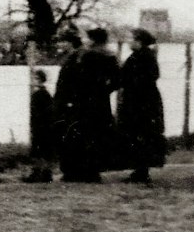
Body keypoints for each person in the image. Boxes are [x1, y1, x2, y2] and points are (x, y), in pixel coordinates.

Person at [54, 26, 118, 182]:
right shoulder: (98, 55)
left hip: (84, 103)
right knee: (87, 135)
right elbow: (114, 79)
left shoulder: (87, 56)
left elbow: (78, 81)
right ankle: (85, 171)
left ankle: (83, 172)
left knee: (84, 135)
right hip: (92, 102)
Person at [118, 28, 165, 184]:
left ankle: (142, 170)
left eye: (130, 38)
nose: (128, 41)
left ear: (138, 41)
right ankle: (139, 169)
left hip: (142, 102)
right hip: (138, 100)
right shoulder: (138, 56)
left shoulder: (145, 56)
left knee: (142, 133)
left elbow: (151, 76)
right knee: (137, 134)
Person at [24, 68, 55, 183]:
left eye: (36, 78)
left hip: (40, 126)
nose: (33, 80)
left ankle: (37, 173)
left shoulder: (39, 95)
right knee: (44, 150)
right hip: (45, 126)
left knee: (38, 150)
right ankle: (46, 173)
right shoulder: (46, 94)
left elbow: (38, 112)